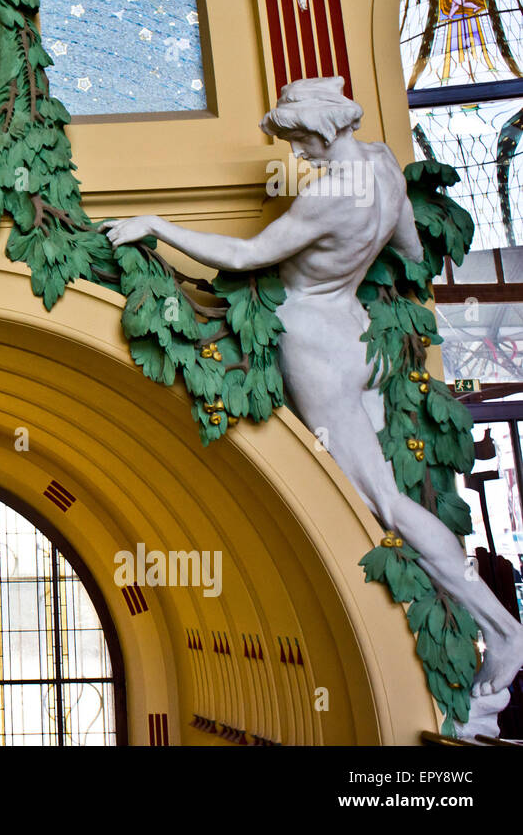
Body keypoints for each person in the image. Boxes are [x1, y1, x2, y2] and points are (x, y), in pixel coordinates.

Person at [102, 77, 523, 720]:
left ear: (323, 130)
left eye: (299, 141)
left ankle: (501, 631)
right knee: (394, 498)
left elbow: (246, 255)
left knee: (379, 503)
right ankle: (483, 629)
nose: (298, 156)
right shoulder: (383, 166)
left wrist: (156, 223)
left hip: (316, 345)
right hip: (361, 336)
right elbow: (410, 251)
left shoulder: (327, 197)